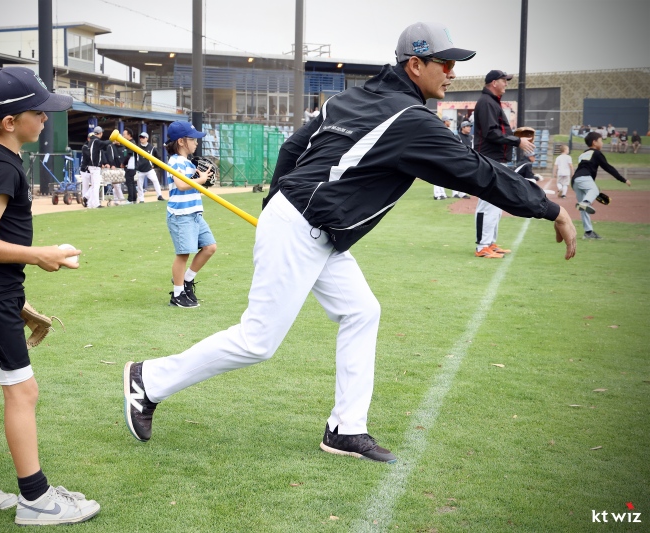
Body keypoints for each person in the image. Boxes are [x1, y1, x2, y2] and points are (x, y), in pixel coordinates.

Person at [122, 22, 576, 464]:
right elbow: (478, 172)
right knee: (258, 340)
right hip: (303, 224)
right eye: (445, 63)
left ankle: (346, 429)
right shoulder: (412, 120)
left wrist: (278, 205)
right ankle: (148, 380)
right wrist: (550, 207)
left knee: (362, 311)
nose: (452, 73)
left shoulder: (351, 97)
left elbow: (291, 149)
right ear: (415, 65)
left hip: (311, 226)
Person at [0, 66, 99, 526]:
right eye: (39, 112)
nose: (46, 119)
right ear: (10, 121)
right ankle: (37, 500)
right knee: (23, 392)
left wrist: (19, 285)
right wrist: (39, 255)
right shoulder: (1, 165)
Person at [472, 69, 535, 259]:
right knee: (487, 203)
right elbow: (491, 133)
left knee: (495, 203)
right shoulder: (486, 102)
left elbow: (495, 131)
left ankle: (489, 242)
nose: (506, 84)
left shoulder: (491, 102)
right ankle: (482, 246)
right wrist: (517, 141)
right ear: (493, 83)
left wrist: (514, 136)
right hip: (488, 158)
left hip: (495, 159)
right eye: (503, 80)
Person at [162, 120, 217, 308]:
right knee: (183, 254)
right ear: (181, 142)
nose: (196, 143)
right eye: (193, 139)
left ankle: (186, 281)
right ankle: (177, 295)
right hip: (180, 215)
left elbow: (191, 187)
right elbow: (181, 185)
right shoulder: (175, 161)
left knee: (210, 247)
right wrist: (200, 180)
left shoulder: (188, 163)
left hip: (194, 213)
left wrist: (203, 179)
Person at [571, 131, 631, 240]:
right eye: (600, 140)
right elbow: (608, 168)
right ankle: (585, 202)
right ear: (594, 142)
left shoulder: (583, 154)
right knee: (594, 190)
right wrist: (623, 179)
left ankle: (588, 232)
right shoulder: (596, 153)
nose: (602, 143)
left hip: (575, 181)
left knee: (583, 208)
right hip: (584, 177)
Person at [135, 131, 164, 202]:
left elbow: (158, 157)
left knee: (155, 181)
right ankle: (141, 199)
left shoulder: (152, 147)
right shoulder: (137, 147)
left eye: (143, 137)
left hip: (149, 169)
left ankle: (159, 195)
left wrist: (155, 165)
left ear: (147, 138)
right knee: (139, 185)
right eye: (140, 137)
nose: (141, 139)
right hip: (140, 170)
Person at [120, 128, 138, 203]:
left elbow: (129, 155)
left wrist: (123, 163)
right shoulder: (128, 143)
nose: (123, 136)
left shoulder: (131, 143)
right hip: (131, 166)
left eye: (124, 134)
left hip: (131, 165)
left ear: (129, 135)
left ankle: (130, 199)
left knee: (129, 182)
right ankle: (134, 198)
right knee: (132, 182)